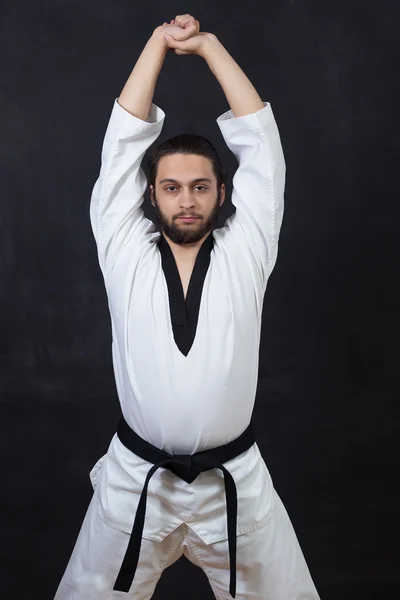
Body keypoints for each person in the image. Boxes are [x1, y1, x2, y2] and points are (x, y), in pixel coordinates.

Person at [54, 13, 321, 600]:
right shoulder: (122, 248)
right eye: (171, 187)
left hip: (234, 480)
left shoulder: (247, 249)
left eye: (200, 186)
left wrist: (208, 47)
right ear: (150, 194)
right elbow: (122, 143)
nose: (187, 200)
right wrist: (156, 43)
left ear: (222, 191)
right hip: (135, 478)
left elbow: (261, 144)